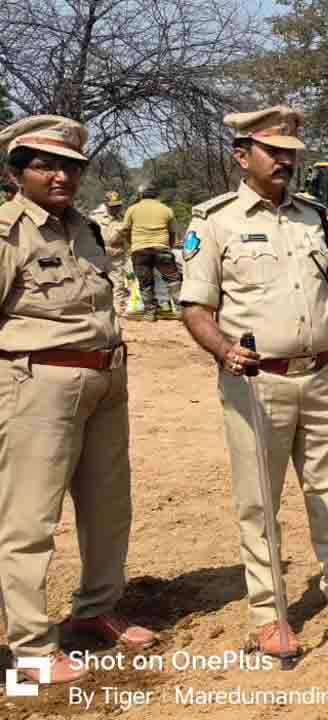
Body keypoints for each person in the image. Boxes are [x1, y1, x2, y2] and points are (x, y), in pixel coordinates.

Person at [178, 106, 328, 657]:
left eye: (292, 154)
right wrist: (224, 351)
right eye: (275, 153)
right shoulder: (214, 220)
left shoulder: (313, 217)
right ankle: (270, 615)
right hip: (256, 384)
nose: (286, 162)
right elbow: (196, 308)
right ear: (242, 157)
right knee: (260, 503)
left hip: (322, 375)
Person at [0, 115, 156, 685]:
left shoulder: (87, 230)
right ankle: (32, 647)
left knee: (108, 507)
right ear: (18, 173)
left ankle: (95, 610)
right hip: (37, 385)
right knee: (29, 520)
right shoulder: (8, 233)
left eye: (71, 166)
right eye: (46, 164)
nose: (61, 175)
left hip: (106, 381)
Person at [120, 183, 181, 321]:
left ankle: (149, 313)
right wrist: (168, 247)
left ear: (140, 194)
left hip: (140, 250)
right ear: (156, 194)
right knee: (172, 279)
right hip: (162, 249)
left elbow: (125, 230)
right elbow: (172, 232)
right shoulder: (166, 209)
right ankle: (179, 310)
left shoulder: (132, 209)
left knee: (145, 282)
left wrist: (133, 244)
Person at [90, 191, 130, 315]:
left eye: (118, 205)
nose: (115, 208)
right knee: (96, 282)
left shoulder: (123, 219)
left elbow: (128, 237)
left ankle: (118, 308)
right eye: (112, 206)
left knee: (118, 283)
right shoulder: (94, 217)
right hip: (98, 254)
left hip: (116, 256)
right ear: (106, 204)